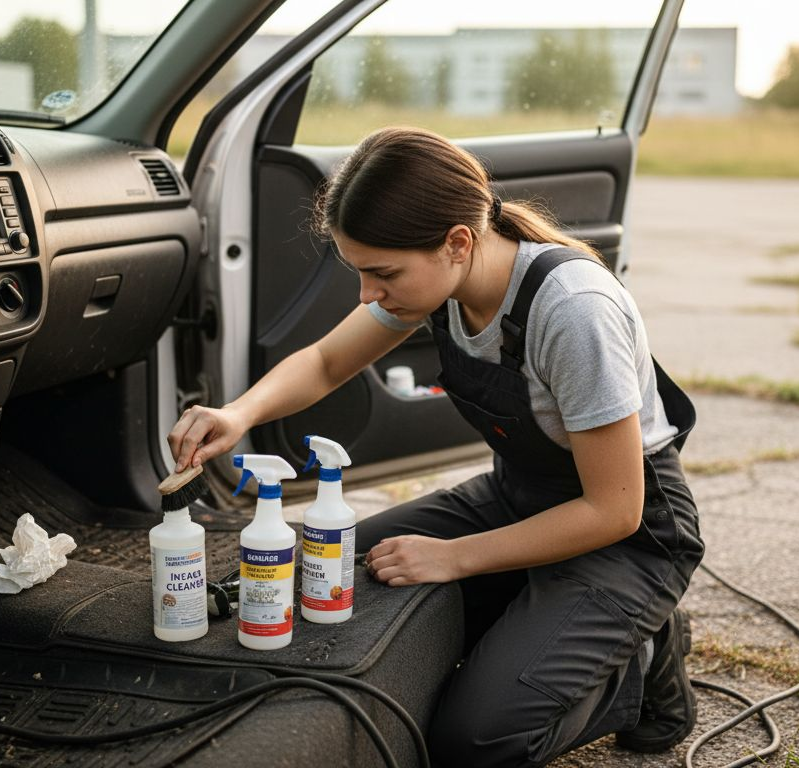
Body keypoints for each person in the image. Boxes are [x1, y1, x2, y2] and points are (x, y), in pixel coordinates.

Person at [166, 126, 703, 767]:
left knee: (473, 742)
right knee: (329, 572)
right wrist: (237, 412)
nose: (369, 293)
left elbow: (616, 509)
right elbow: (328, 360)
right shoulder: (446, 282)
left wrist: (455, 557)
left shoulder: (572, 311)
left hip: (629, 537)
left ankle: (639, 662)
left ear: (457, 242)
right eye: (360, 271)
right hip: (520, 500)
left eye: (382, 273)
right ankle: (543, 611)